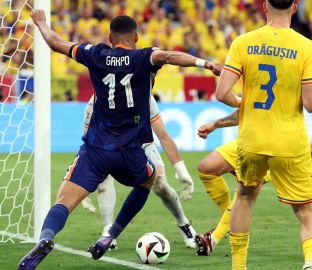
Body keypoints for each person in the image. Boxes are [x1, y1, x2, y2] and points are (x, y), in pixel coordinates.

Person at [18, 10, 220, 269]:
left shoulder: (95, 53)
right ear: (136, 36)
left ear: (109, 38)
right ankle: (110, 235)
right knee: (149, 180)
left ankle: (46, 238)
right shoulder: (144, 56)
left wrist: (42, 23)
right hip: (130, 150)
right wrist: (205, 64)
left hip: (96, 150)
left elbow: (56, 42)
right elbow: (170, 56)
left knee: (63, 203)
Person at [215, 0, 312, 269]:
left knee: (244, 196)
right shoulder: (306, 46)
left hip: (251, 139)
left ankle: (239, 266)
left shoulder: (243, 42)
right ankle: (311, 264)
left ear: (265, 6)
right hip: (290, 142)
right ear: (294, 7)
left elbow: (222, 93)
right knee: (308, 212)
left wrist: (243, 102)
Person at [195, 84, 312, 256]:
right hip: (251, 140)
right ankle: (229, 220)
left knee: (246, 193)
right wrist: (216, 124)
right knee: (207, 167)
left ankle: (214, 237)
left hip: (281, 145)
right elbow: (248, 108)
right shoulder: (258, 61)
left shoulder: (296, 63)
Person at [81, 94, 197, 248]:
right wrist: (86, 181)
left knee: (160, 184)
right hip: (110, 146)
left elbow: (163, 136)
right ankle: (108, 230)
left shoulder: (143, 95)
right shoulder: (96, 99)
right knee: (103, 178)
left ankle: (184, 224)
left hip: (142, 144)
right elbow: (89, 139)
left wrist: (181, 169)